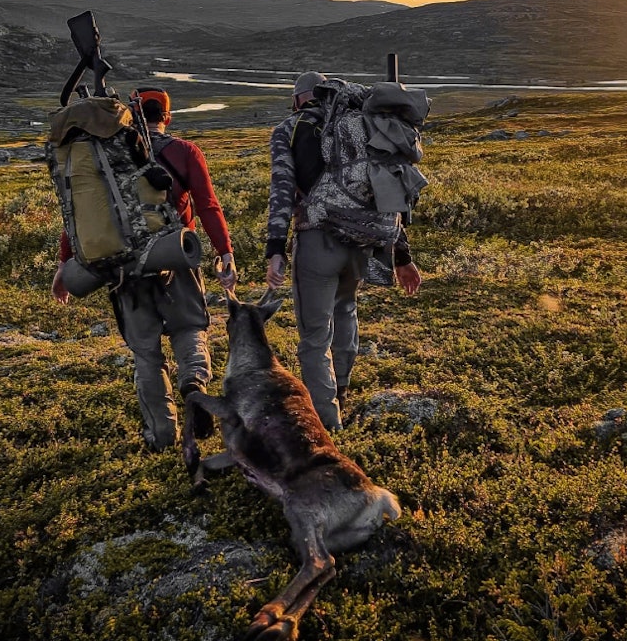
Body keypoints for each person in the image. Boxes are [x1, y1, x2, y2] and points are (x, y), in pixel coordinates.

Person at [52, 86, 237, 452]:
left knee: (147, 355)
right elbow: (208, 206)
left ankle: (162, 435)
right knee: (189, 330)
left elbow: (80, 215)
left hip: (123, 268)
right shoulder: (184, 152)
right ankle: (194, 386)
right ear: (166, 116)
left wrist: (64, 263)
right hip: (174, 257)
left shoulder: (110, 156)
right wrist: (224, 251)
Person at [264, 71, 422, 431]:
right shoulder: (363, 126)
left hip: (317, 241)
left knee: (314, 336)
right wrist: (402, 256)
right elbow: (386, 194)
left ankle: (326, 422)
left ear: (298, 98)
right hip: (363, 242)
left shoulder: (289, 128)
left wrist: (276, 248)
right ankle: (344, 388)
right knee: (346, 309)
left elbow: (282, 190)